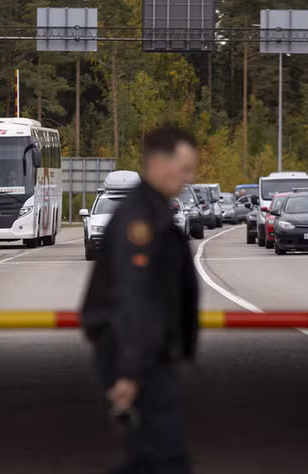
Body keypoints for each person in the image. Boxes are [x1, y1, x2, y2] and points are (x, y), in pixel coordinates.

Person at [82, 124, 200, 474]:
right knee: (167, 459)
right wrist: (129, 373)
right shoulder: (140, 221)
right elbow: (133, 298)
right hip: (136, 358)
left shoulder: (153, 211)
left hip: (145, 355)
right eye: (184, 168)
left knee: (148, 459)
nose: (188, 177)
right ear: (161, 164)